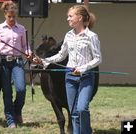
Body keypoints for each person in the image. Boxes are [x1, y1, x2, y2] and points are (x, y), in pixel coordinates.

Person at [33, 5, 102, 134]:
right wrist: (43, 61)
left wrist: (82, 68)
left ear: (79, 18)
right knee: (74, 112)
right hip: (70, 77)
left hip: (86, 77)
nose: (67, 19)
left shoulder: (92, 36)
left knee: (82, 109)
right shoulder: (68, 36)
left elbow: (98, 59)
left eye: (70, 16)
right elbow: (61, 55)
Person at [0, 1, 32, 128]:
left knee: (21, 89)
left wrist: (28, 52)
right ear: (5, 15)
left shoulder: (21, 29)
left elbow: (25, 46)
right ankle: (10, 119)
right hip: (3, 62)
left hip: (17, 61)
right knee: (7, 92)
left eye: (14, 16)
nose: (12, 19)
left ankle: (17, 110)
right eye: (9, 16)